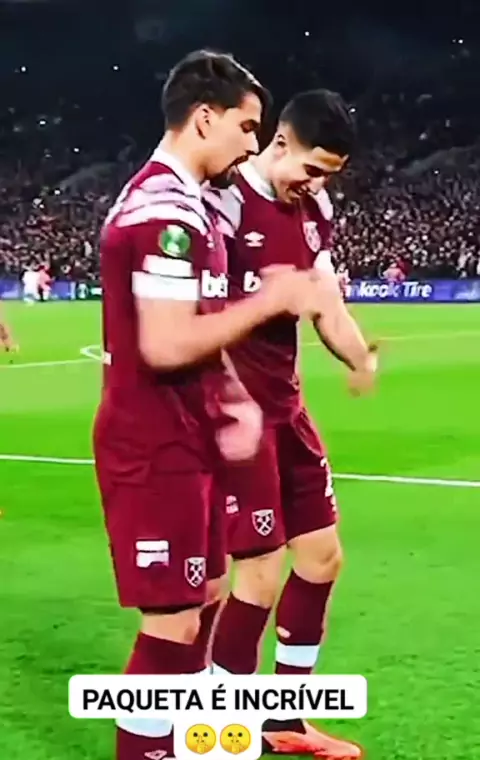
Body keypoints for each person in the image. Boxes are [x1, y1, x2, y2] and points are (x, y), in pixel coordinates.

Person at [93, 51, 325, 760]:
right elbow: (166, 344)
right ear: (204, 118)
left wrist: (230, 399)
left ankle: (191, 746)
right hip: (153, 445)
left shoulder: (189, 203)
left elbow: (198, 329)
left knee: (205, 599)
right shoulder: (166, 214)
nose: (253, 145)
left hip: (190, 439)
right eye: (246, 127)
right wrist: (272, 300)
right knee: (172, 624)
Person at [204, 89, 377, 757]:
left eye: (329, 175)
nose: (317, 185)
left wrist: (358, 355)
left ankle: (285, 719)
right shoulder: (221, 202)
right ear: (279, 143)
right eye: (311, 169)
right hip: (233, 416)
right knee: (258, 572)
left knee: (323, 557)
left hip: (287, 409)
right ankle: (221, 731)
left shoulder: (315, 209)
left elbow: (326, 301)